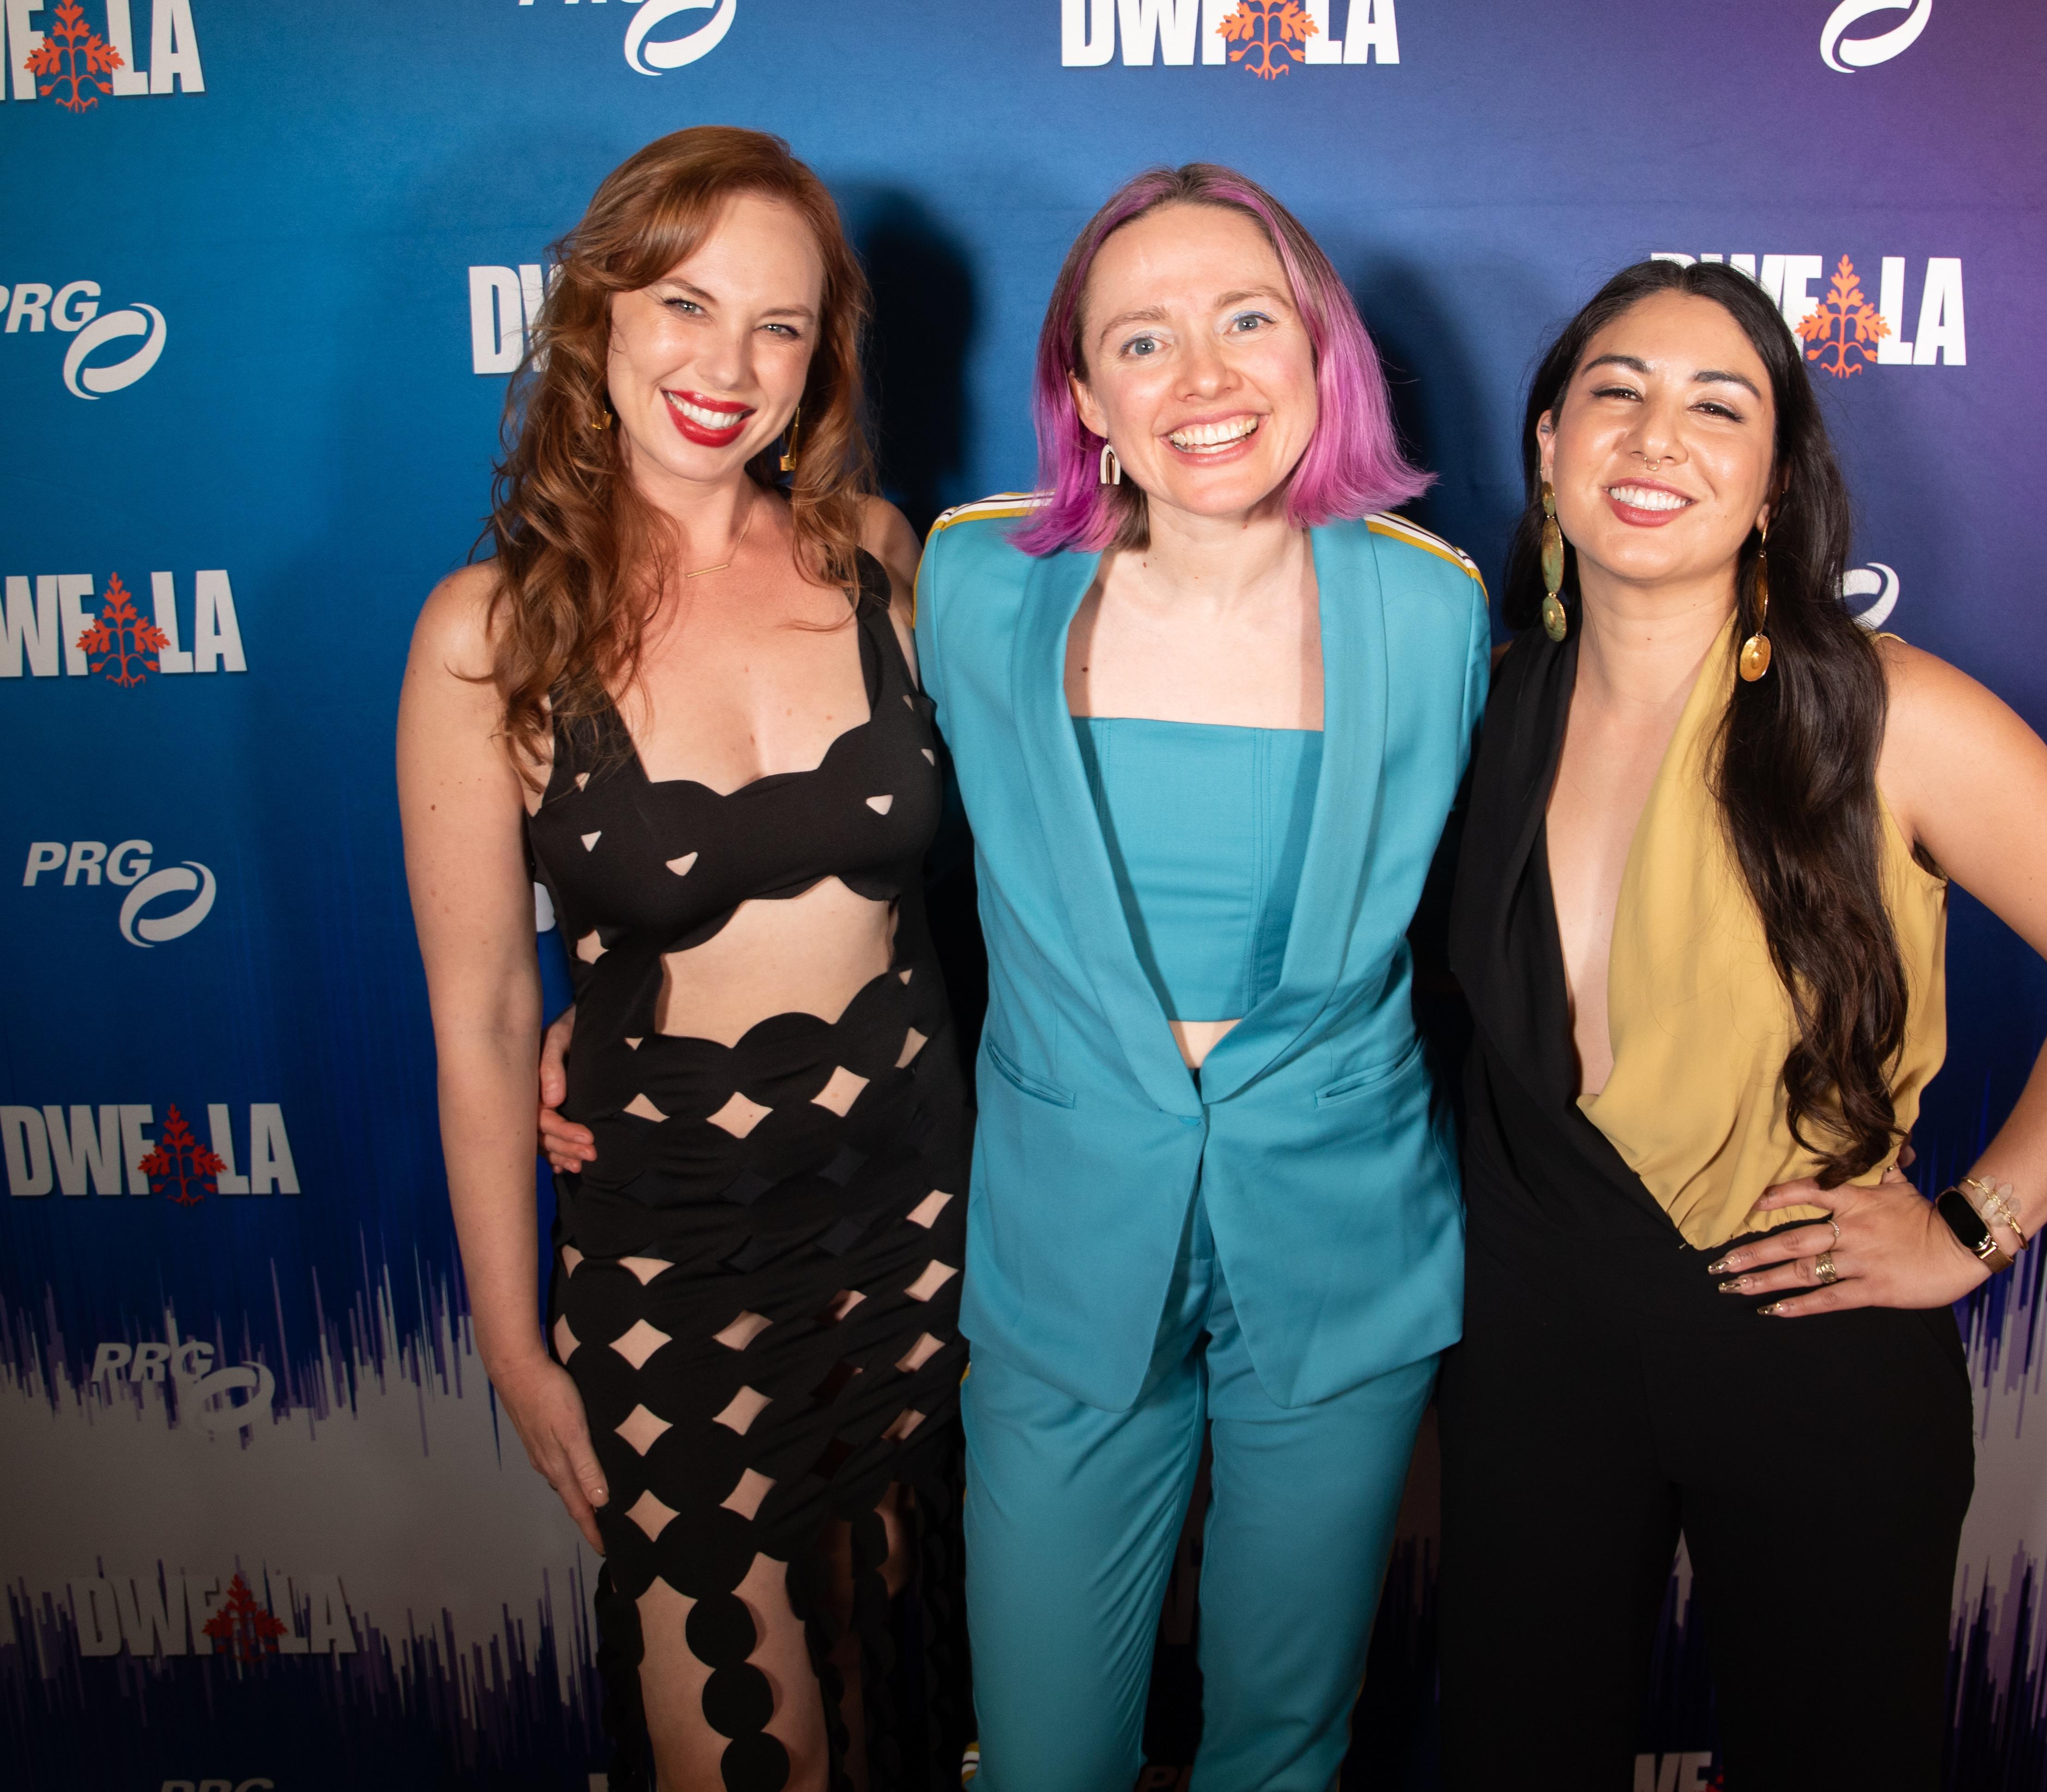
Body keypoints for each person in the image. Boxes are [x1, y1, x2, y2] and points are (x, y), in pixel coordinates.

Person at [1435, 259, 2047, 1789]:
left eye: (1715, 407)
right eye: (1616, 393)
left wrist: (1969, 1229)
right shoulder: (1481, 705)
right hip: (1531, 1343)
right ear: (1546, 445)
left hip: (1807, 1341)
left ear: (1773, 480)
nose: (1657, 437)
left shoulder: (1889, 709)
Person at [398, 127, 971, 1792]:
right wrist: (515, 1342)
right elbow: (486, 1016)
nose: (726, 367)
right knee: (739, 1718)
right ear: (598, 319)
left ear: (822, 359)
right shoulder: (485, 633)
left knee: (896, 1698)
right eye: (684, 303)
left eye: (778, 326)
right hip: (674, 1264)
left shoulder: (879, 555)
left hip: (921, 1222)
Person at [909, 164, 1488, 1791]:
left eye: (1247, 320)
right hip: (1063, 1241)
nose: (1206, 376)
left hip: (1340, 1243)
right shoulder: (968, 582)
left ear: (1320, 351)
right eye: (1142, 340)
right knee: (1041, 1758)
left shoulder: (1434, 610)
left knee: (1281, 1746)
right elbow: (816, 814)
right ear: (1084, 392)